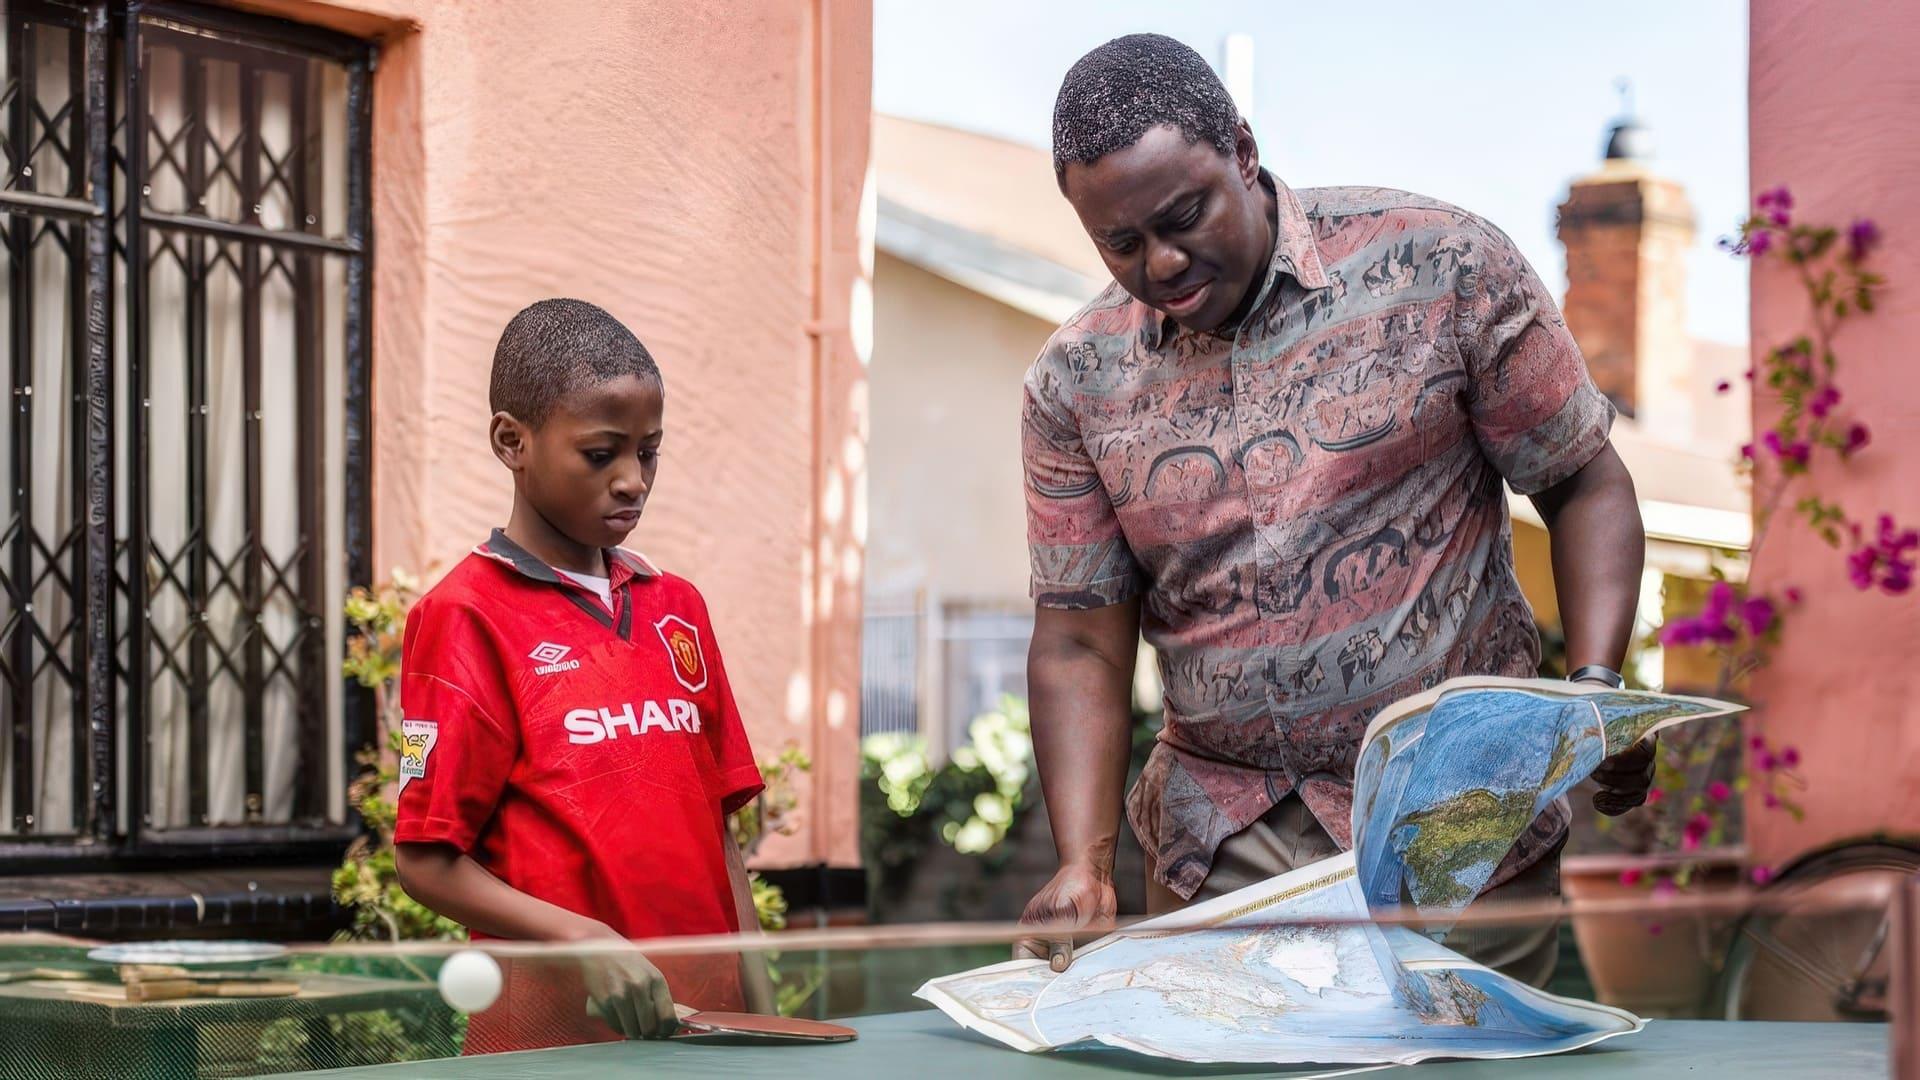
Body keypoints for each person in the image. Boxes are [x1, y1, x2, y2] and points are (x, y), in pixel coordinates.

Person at [1013, 34, 1653, 988]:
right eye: (1122, 242)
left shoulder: (1444, 267)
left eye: (1185, 215)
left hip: (1460, 829)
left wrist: (1595, 688)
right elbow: (1078, 642)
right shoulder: (1077, 383)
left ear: (1242, 147)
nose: (1164, 260)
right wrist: (1084, 861)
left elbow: (1584, 483)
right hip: (1218, 846)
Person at [393, 299, 771, 1052]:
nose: (633, 480)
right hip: (553, 1049)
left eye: (649, 452)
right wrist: (582, 937)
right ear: (513, 441)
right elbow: (424, 862)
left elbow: (721, 842)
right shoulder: (465, 615)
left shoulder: (678, 608)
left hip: (707, 1041)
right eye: (602, 454)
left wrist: (764, 1018)